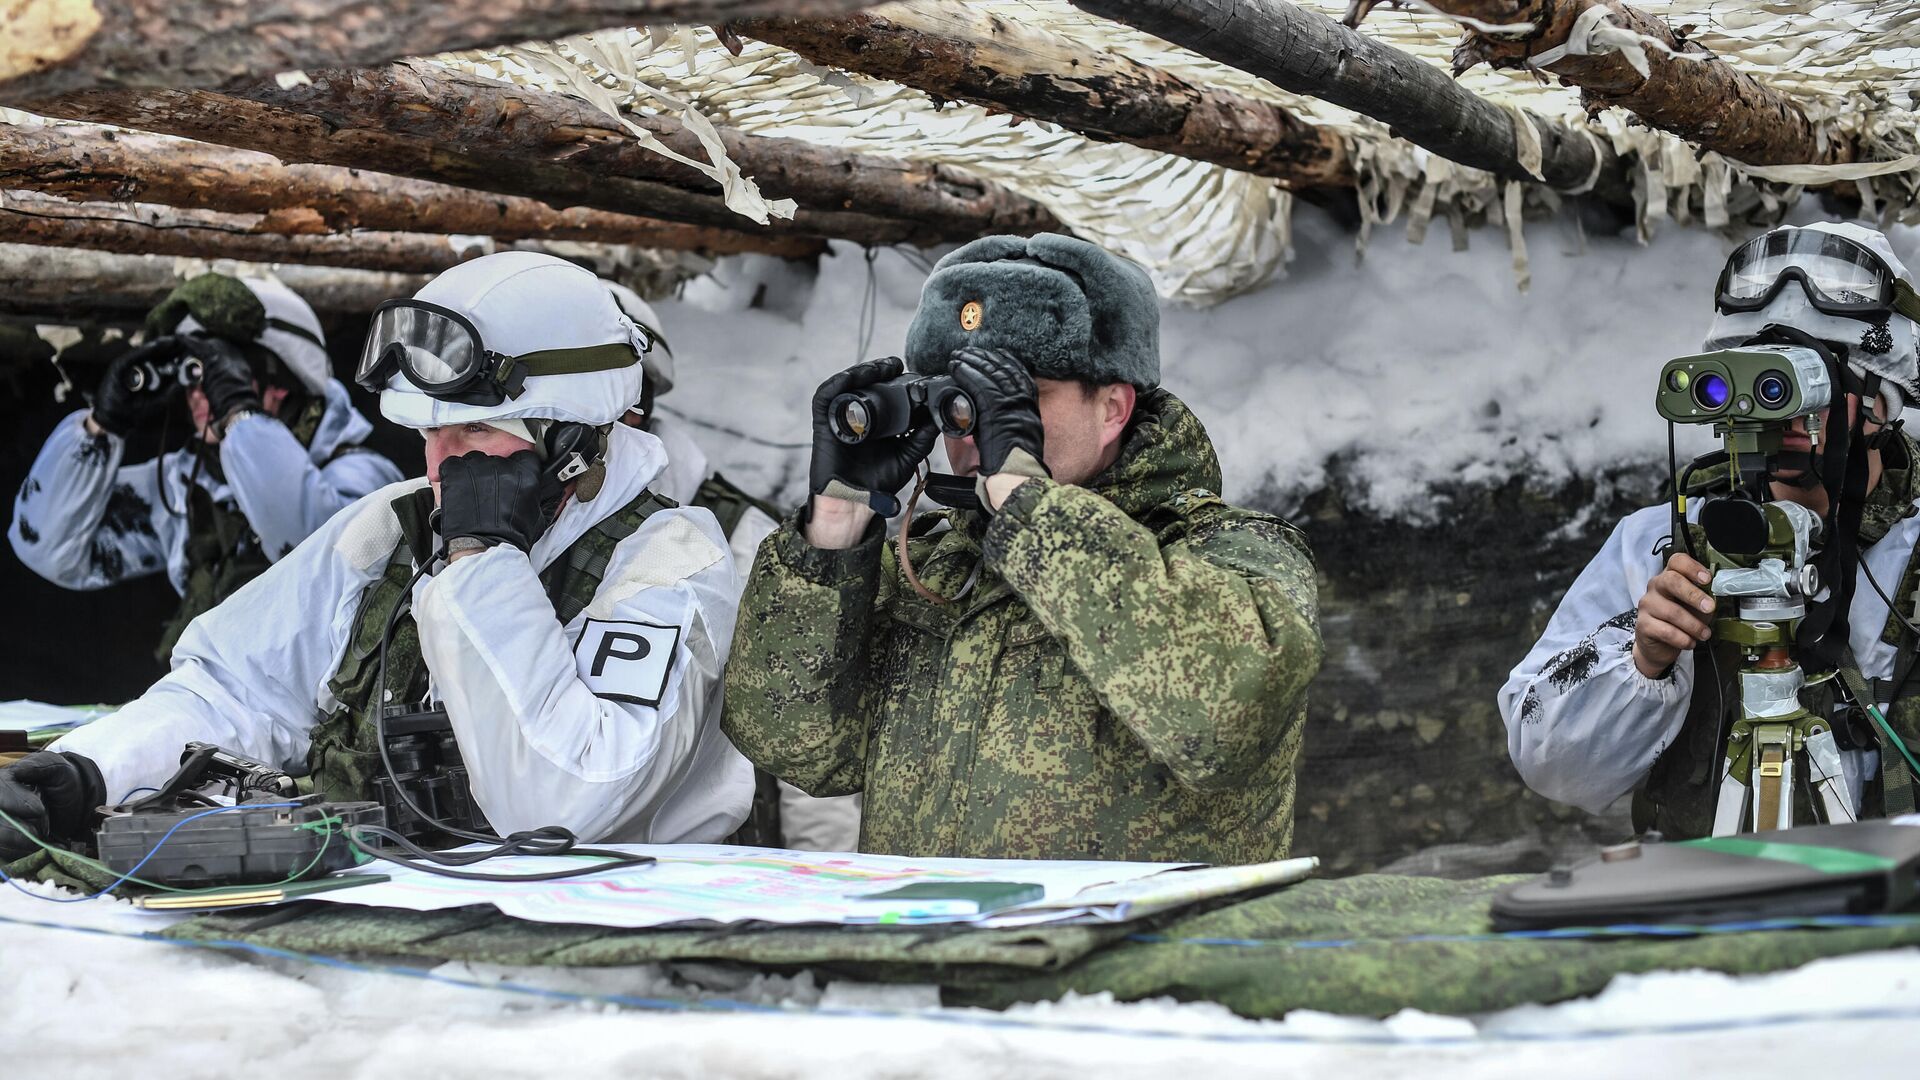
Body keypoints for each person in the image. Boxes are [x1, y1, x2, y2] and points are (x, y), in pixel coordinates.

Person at [0, 252, 750, 860]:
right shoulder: (391, 528)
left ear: (573, 435)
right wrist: (87, 770)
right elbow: (239, 690)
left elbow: (563, 807)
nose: (438, 467)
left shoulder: (673, 564)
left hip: (601, 988)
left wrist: (482, 560)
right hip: (394, 947)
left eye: (473, 437)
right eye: (429, 436)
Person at [722, 233, 1322, 864]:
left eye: (1015, 400)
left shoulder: (1232, 552)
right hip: (940, 952)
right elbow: (794, 744)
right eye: (962, 405)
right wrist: (835, 529)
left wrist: (1029, 507)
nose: (979, 430)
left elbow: (1222, 721)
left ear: (1114, 407)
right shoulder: (935, 569)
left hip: (1130, 957)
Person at [1501, 221, 1920, 838]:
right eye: (1759, 383)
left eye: (1812, 379)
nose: (1787, 415)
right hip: (1717, 909)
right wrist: (1644, 657)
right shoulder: (1662, 544)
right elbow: (1552, 767)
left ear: (1883, 401)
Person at [8, 273, 401, 658]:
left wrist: (240, 419)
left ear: (280, 380)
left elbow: (310, 553)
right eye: (194, 374)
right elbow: (50, 549)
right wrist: (102, 426)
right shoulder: (189, 486)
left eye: (218, 372)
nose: (197, 392)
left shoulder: (363, 478)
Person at [606, 281, 860, 852]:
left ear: (636, 406)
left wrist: (819, 887)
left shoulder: (737, 537)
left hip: (703, 870)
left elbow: (806, 717)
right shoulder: (478, 530)